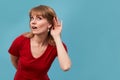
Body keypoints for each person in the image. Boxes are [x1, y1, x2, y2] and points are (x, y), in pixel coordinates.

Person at [8, 5, 71, 80]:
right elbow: (14, 60)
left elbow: (66, 67)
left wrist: (56, 37)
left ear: (50, 24)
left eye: (39, 18)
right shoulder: (21, 40)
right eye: (32, 18)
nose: (33, 22)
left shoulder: (57, 45)